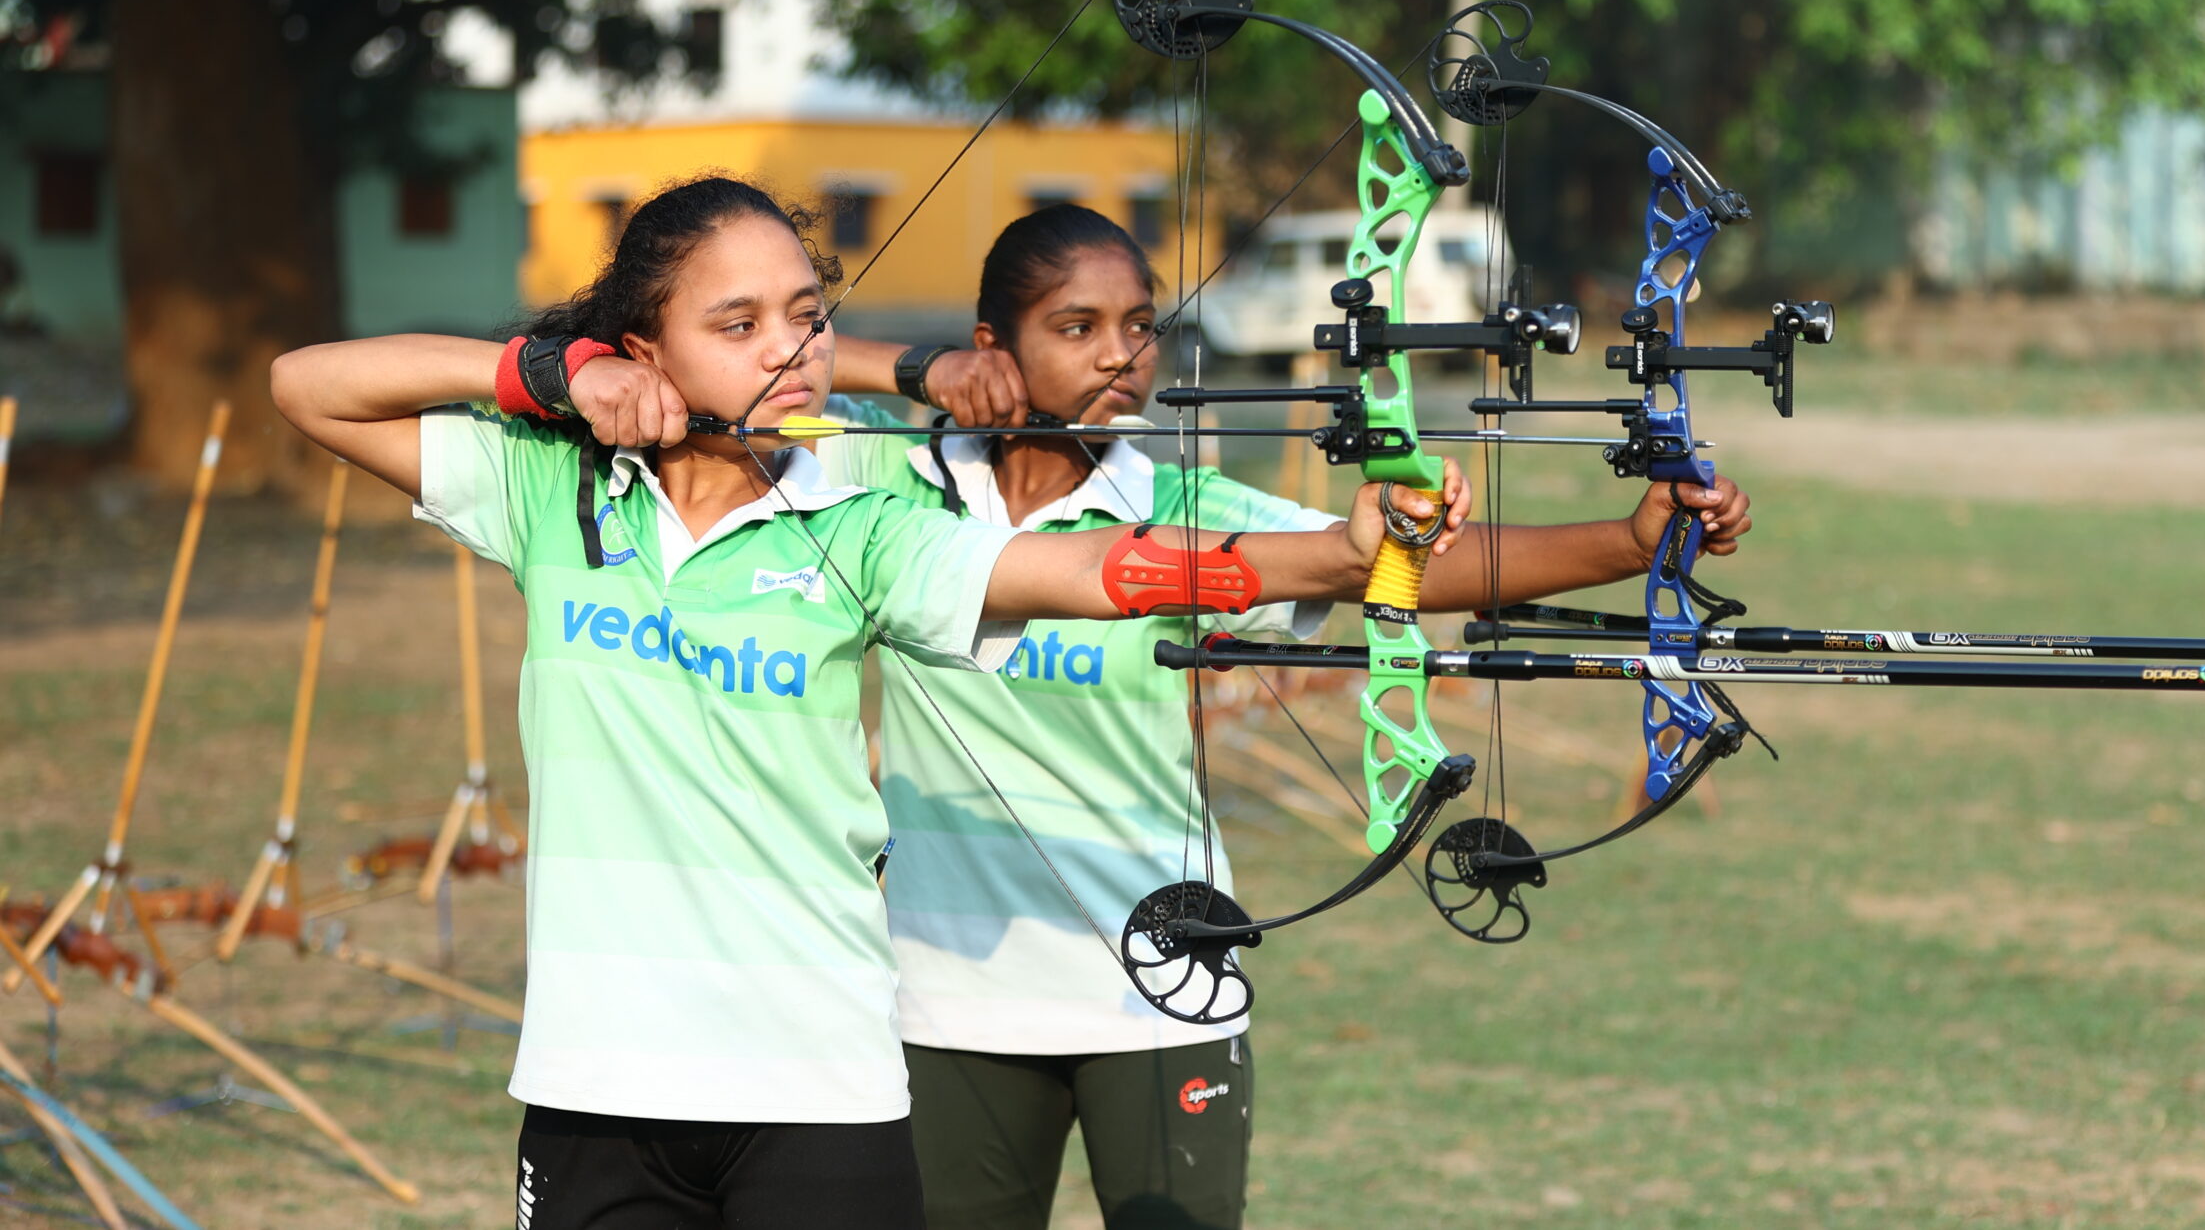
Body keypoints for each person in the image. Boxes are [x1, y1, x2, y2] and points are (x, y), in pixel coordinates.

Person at [267, 176, 1469, 1230]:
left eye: (805, 318)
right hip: (598, 1082)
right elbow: (308, 387)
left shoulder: (862, 523)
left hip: (819, 1090)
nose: (788, 351)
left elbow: (1096, 570)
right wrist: (547, 371)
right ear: (639, 351)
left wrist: (1342, 556)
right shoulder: (550, 494)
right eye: (736, 325)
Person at [820, 204, 1753, 1230]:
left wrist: (1630, 539)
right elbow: (736, 378)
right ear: (993, 346)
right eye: (1075, 327)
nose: (1121, 356)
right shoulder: (879, 481)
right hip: (947, 987)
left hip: (1158, 971)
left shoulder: (1183, 507)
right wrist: (920, 371)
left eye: (1141, 326)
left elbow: (1401, 571)